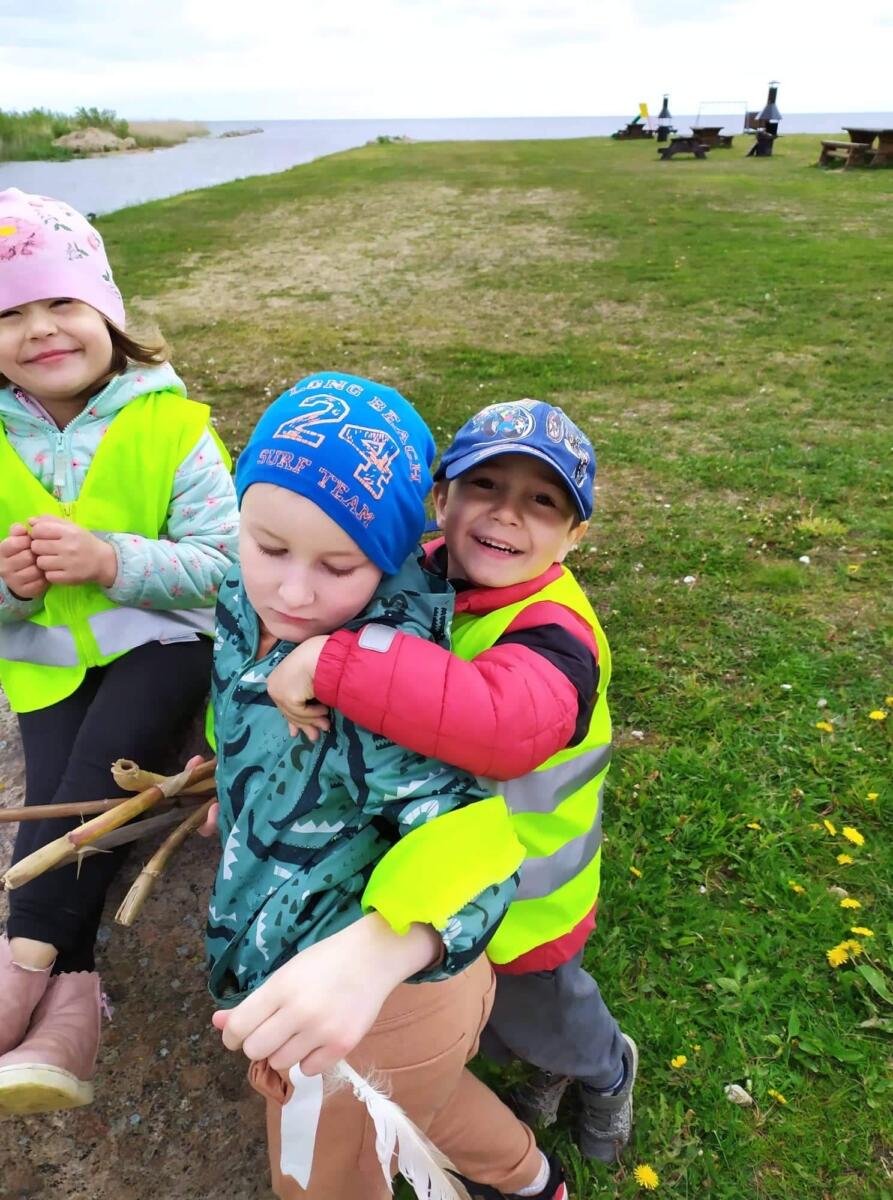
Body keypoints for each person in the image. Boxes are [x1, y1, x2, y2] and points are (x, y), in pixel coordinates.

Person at [205, 372, 568, 1200]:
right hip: (368, 1014)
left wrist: (379, 952)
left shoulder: (378, 684)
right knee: (417, 1098)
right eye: (267, 546)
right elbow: (241, 693)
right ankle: (529, 1179)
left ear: (395, 552)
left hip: (380, 1000)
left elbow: (480, 844)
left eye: (340, 564)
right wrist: (234, 776)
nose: (293, 591)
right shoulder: (243, 594)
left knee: (318, 1179)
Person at [268, 398, 637, 1164]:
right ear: (441, 499)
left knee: (544, 1011)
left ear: (573, 538)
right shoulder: (419, 572)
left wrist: (334, 664)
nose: (506, 514)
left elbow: (500, 724)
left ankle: (604, 1070)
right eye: (484, 486)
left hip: (527, 894)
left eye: (542, 501)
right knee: (489, 1016)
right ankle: (542, 1066)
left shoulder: (557, 635)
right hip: (448, 878)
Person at [0, 188, 238, 1115]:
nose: (40, 329)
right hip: (45, 664)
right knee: (66, 795)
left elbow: (227, 569)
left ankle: (19, 963)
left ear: (107, 311)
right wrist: (13, 588)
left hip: (166, 643)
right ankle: (72, 1008)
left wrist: (111, 561)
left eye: (61, 301)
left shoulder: (172, 425)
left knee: (100, 766)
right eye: (10, 314)